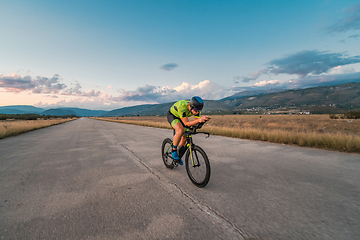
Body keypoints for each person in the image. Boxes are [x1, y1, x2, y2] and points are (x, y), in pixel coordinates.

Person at [167, 96, 210, 165]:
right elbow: (186, 123)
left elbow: (195, 123)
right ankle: (174, 150)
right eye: (196, 110)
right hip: (173, 115)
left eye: (199, 110)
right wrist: (199, 120)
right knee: (180, 130)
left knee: (185, 137)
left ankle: (178, 155)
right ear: (191, 106)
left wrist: (202, 121)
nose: (197, 112)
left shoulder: (196, 109)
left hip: (182, 117)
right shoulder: (182, 107)